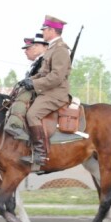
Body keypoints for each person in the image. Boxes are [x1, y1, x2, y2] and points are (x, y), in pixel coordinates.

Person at [20, 15, 72, 166]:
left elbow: (56, 77)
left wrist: (34, 85)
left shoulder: (60, 50)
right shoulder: (52, 48)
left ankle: (40, 153)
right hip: (47, 90)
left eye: (44, 29)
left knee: (32, 114)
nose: (42, 32)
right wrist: (29, 81)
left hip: (56, 93)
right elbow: (43, 73)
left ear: (51, 30)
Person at [4, 33, 49, 139]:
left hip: (41, 92)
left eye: (35, 45)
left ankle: (16, 126)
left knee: (26, 107)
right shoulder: (37, 62)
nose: (27, 50)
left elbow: (48, 78)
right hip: (36, 90)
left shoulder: (46, 60)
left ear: (45, 47)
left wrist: (31, 83)